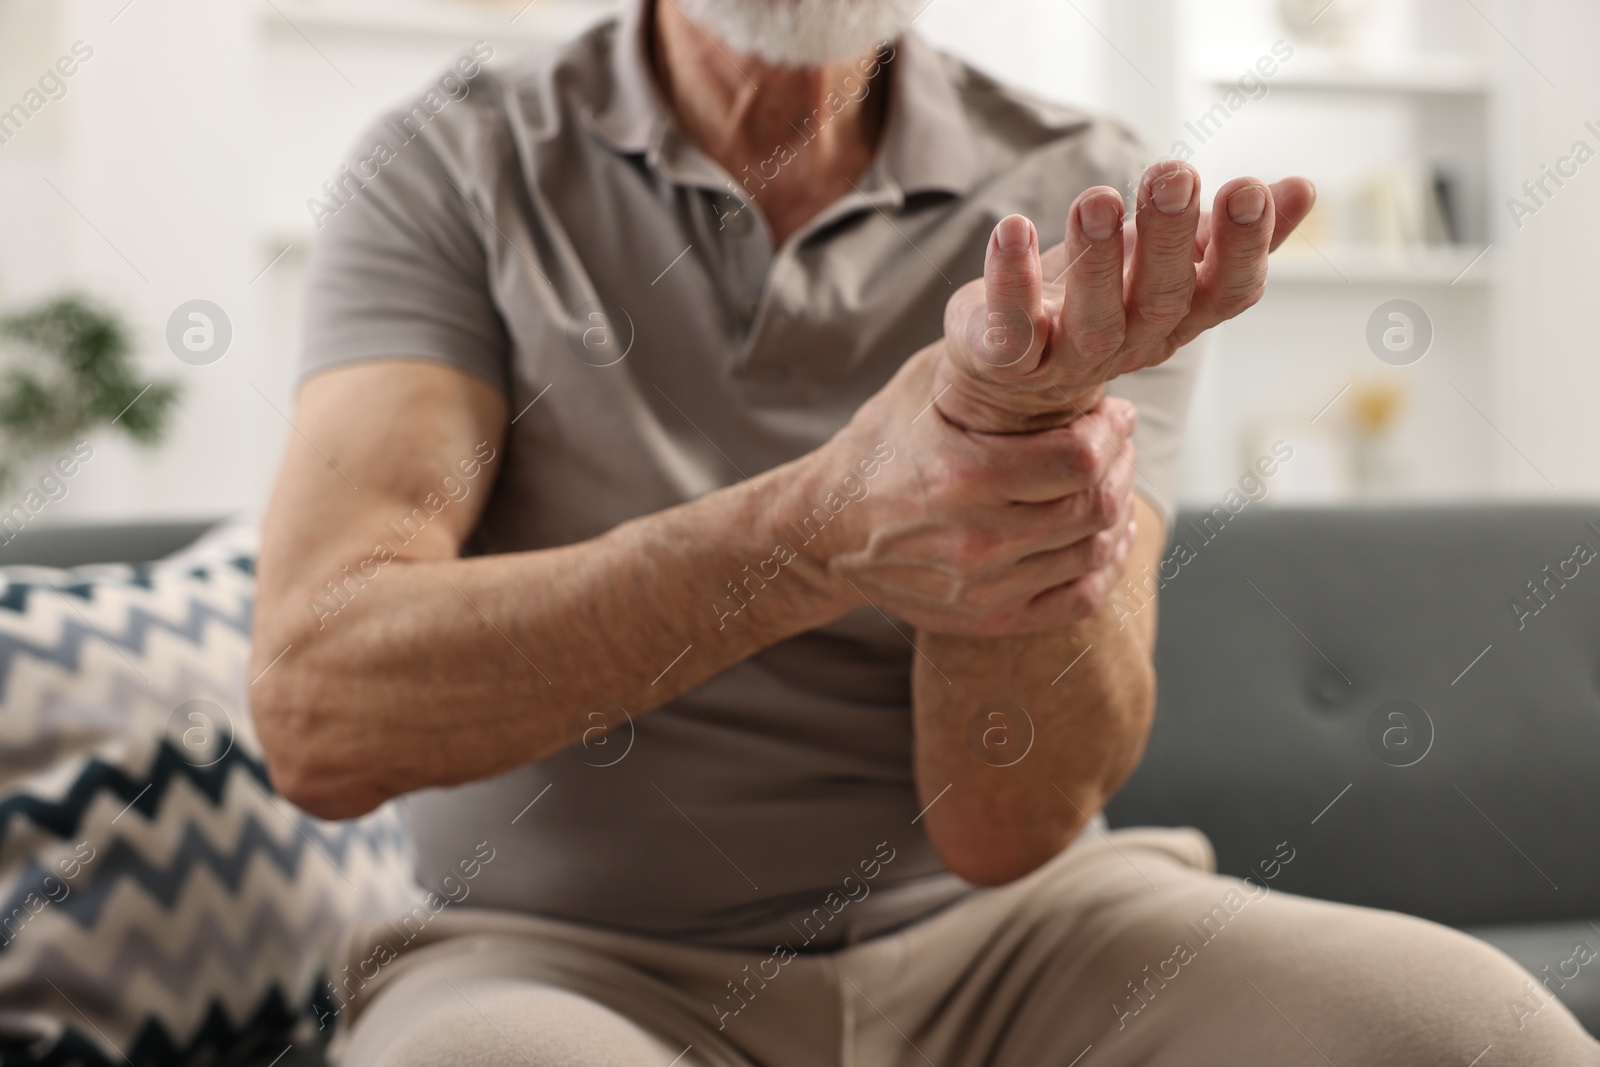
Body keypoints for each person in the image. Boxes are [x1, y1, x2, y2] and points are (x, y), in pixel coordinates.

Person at [250, 0, 1600, 1063]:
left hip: (1021, 939)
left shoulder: (1087, 194)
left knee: (1471, 1033)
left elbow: (1014, 827)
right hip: (564, 959)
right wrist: (825, 527)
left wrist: (1010, 439)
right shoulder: (454, 163)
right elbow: (322, 706)